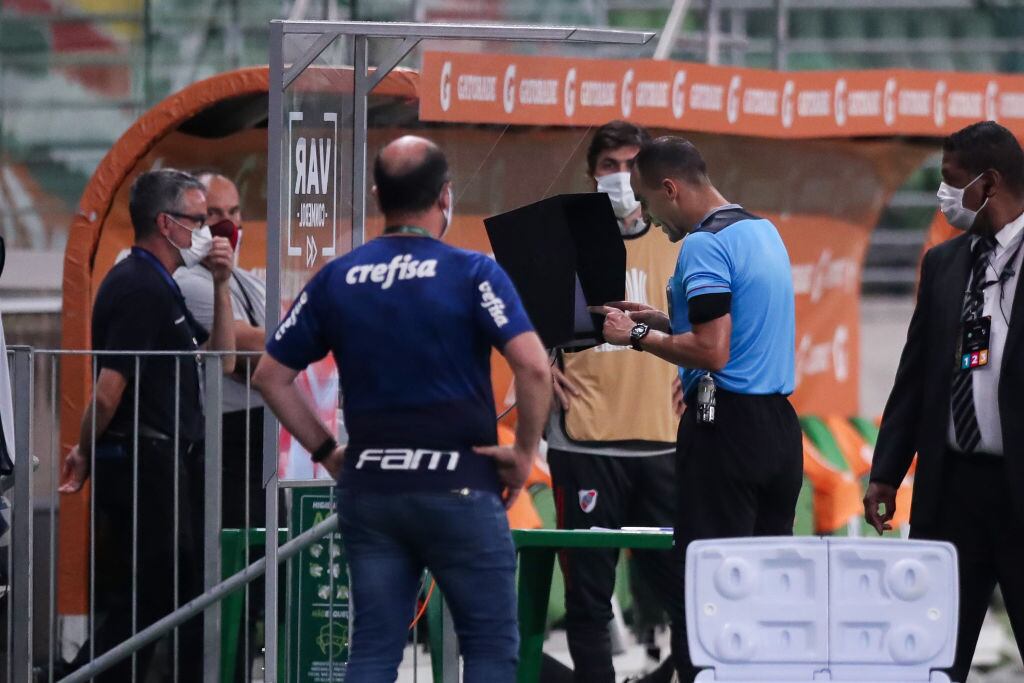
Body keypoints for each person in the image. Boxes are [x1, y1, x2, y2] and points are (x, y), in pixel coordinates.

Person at [253, 135, 552, 681]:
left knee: (373, 650)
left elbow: (270, 376)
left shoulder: (337, 279)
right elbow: (534, 368)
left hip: (372, 489)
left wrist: (328, 452)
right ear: (445, 196)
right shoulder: (473, 273)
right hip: (459, 485)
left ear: (377, 196)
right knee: (487, 649)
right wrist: (524, 451)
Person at [593, 136, 802, 682]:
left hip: (727, 430)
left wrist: (635, 334)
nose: (649, 218)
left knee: (709, 590)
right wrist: (664, 320)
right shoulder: (762, 230)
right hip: (779, 429)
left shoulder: (703, 246)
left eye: (648, 201)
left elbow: (713, 350)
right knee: (762, 588)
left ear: (671, 188)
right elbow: (738, 328)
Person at [58, 169, 236, 681]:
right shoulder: (138, 286)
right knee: (154, 592)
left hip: (166, 460)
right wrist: (86, 449)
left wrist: (222, 285)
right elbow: (110, 390)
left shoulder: (165, 286)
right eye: (199, 220)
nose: (209, 231)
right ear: (167, 224)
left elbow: (220, 360)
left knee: (162, 591)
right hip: (144, 461)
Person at [864, 121, 1024, 683]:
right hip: (953, 488)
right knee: (930, 656)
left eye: (951, 181)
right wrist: (886, 471)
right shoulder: (944, 262)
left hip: (1019, 485)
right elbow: (915, 377)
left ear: (989, 183)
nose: (943, 196)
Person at [547, 121, 683, 683]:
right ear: (591, 174)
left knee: (690, 597)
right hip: (586, 440)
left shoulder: (680, 241)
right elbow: (521, 324)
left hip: (665, 443)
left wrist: (699, 372)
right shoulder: (562, 241)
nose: (622, 177)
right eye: (610, 166)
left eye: (632, 165)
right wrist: (533, 369)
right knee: (588, 604)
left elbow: (714, 331)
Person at [176, 171, 267, 530]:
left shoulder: (253, 281)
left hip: (263, 436)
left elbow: (280, 345)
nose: (227, 223)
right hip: (227, 437)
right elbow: (253, 345)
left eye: (234, 211)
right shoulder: (190, 282)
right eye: (213, 213)